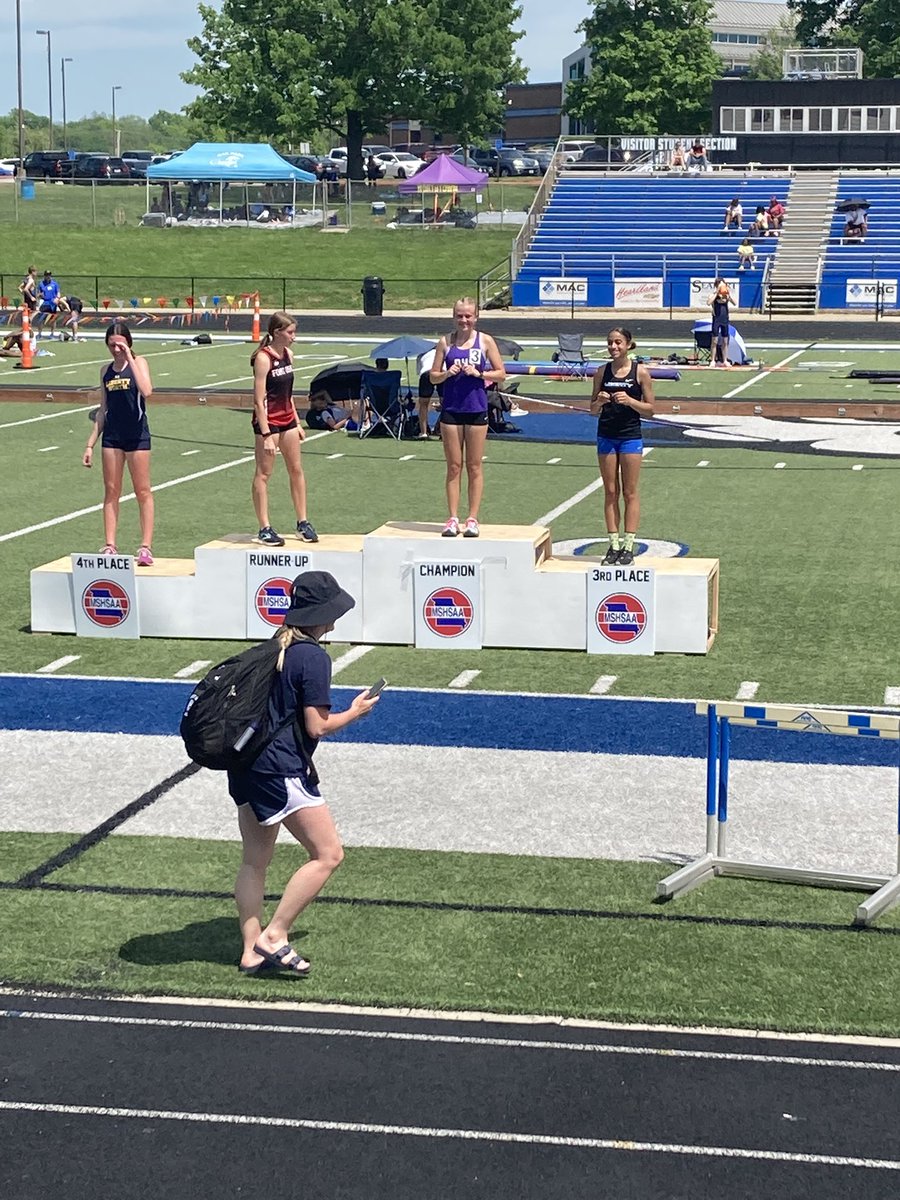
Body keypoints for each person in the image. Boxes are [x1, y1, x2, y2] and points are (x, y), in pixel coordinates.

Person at [229, 571, 381, 977]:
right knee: (328, 854)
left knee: (254, 861)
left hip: (247, 766)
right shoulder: (312, 656)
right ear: (320, 614)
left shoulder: (273, 647)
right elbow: (317, 725)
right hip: (282, 769)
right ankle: (275, 935)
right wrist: (355, 712)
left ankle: (250, 951)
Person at [429, 296, 505, 538]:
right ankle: (452, 518)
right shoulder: (445, 342)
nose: (464, 320)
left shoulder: (485, 341)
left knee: (474, 465)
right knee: (453, 466)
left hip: (476, 409)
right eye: (459, 316)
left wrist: (479, 372)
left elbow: (501, 373)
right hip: (451, 409)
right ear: (454, 317)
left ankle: (472, 518)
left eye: (468, 316)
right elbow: (432, 376)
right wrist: (446, 374)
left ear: (476, 317)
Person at [82, 321, 155, 564]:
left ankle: (145, 546)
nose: (115, 349)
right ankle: (110, 544)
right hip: (113, 437)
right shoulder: (105, 371)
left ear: (128, 342)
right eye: (111, 345)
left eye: (119, 344)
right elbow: (103, 410)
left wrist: (130, 359)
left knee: (142, 490)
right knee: (111, 491)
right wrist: (91, 443)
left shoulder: (139, 363)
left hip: (137, 434)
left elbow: (147, 391)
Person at [250, 310, 318, 547]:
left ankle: (302, 522)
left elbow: (287, 394)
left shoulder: (288, 354)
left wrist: (298, 423)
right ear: (277, 332)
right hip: (268, 422)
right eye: (290, 332)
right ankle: (264, 527)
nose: (294, 337)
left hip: (287, 419)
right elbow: (259, 400)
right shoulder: (263, 358)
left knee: (296, 469)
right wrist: (267, 434)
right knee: (264, 473)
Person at [590, 328, 655, 567]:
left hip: (630, 437)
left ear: (628, 345)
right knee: (610, 491)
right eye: (610, 343)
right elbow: (592, 410)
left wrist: (630, 401)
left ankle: (629, 545)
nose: (613, 347)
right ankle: (613, 544)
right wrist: (600, 401)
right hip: (606, 435)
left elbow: (651, 409)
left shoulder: (641, 372)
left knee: (630, 492)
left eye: (618, 342)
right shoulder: (601, 372)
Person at [708, 280, 736, 368]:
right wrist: (717, 292)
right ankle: (712, 360)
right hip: (716, 319)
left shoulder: (726, 296)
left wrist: (729, 295)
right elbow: (708, 302)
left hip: (725, 319)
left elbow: (735, 303)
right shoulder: (713, 295)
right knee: (714, 340)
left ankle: (725, 360)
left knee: (725, 340)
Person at [36, 270, 62, 338]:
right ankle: (39, 333)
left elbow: (58, 293)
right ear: (44, 276)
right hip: (45, 303)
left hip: (53, 303)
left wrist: (58, 298)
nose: (48, 277)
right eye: (47, 275)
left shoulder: (54, 284)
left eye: (49, 275)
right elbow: (38, 294)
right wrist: (40, 295)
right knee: (41, 318)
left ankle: (52, 333)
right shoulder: (41, 284)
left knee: (53, 319)